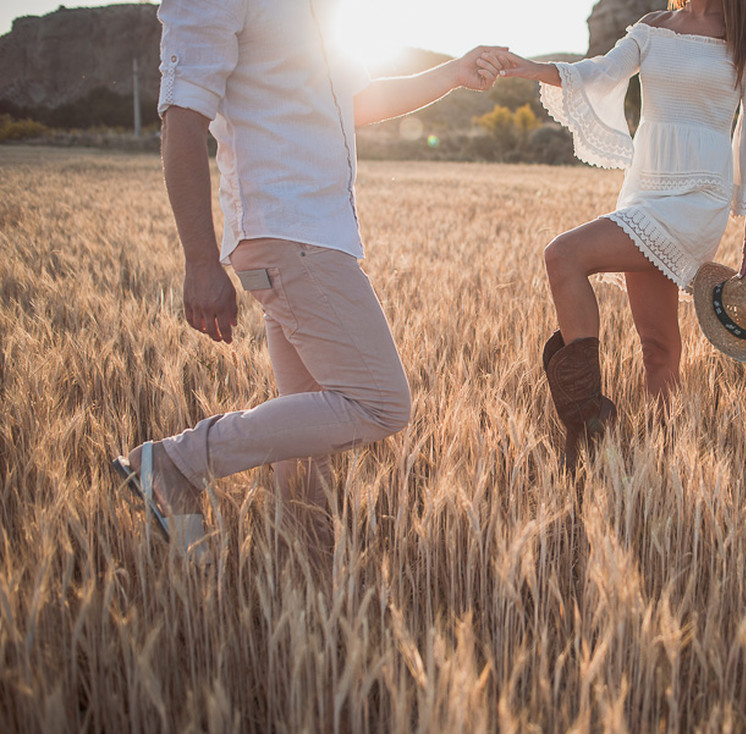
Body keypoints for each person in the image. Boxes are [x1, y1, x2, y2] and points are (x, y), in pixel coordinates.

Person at [111, 0, 507, 560]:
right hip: (288, 232)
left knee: (307, 417)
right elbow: (182, 121)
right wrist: (199, 260)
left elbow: (352, 104)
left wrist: (451, 72)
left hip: (313, 235)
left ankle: (302, 556)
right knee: (380, 403)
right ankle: (176, 462)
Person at [498, 0, 746, 467]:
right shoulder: (653, 27)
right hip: (645, 191)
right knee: (658, 345)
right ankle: (663, 458)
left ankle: (587, 420)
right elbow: (598, 73)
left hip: (700, 196)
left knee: (563, 255)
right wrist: (526, 68)